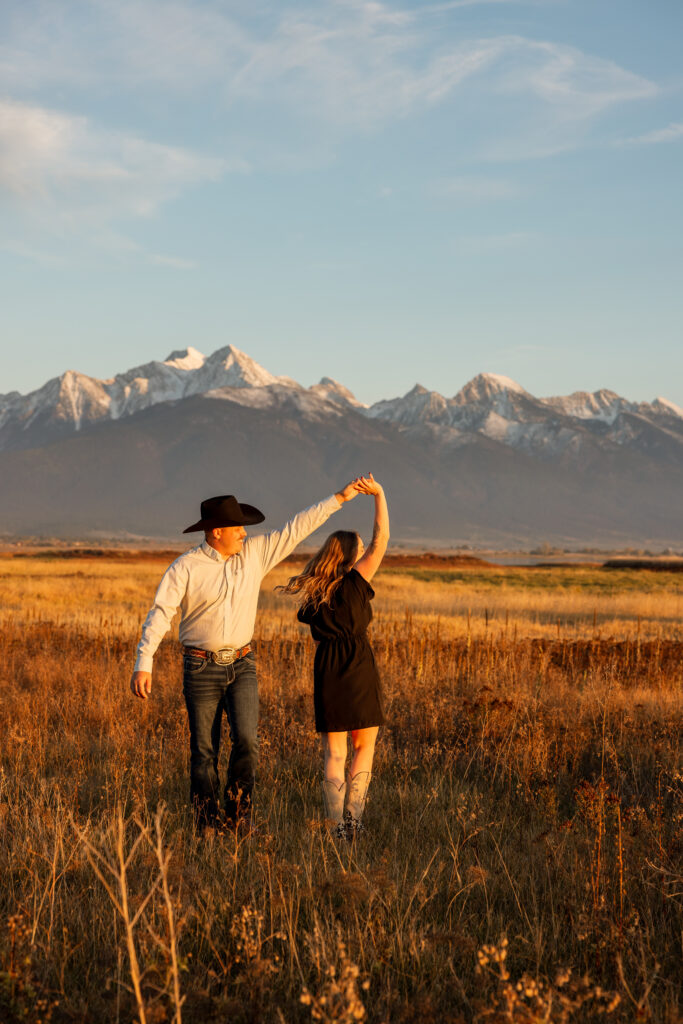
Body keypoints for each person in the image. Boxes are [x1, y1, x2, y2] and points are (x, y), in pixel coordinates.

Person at [130, 481, 363, 833]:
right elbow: (160, 613)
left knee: (248, 743)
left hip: (242, 664)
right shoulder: (185, 568)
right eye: (237, 527)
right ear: (216, 531)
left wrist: (339, 500)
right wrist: (143, 661)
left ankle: (239, 818)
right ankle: (206, 825)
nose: (243, 533)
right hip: (200, 666)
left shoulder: (254, 555)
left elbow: (296, 528)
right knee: (204, 751)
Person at [278, 474, 389, 838]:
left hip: (327, 667)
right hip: (357, 665)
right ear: (350, 554)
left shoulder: (315, 591)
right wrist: (379, 495)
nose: (362, 550)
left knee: (334, 753)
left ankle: (334, 826)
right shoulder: (357, 581)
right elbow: (382, 539)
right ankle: (353, 824)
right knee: (364, 748)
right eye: (358, 547)